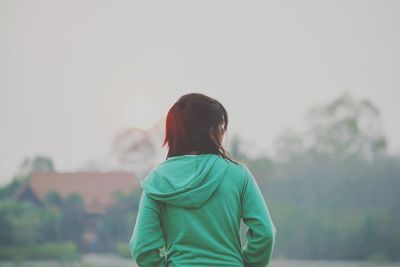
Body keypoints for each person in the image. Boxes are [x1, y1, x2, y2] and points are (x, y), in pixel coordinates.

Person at [129, 93, 277, 266]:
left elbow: (141, 246)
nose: (223, 131)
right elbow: (265, 233)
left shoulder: (157, 180)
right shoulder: (238, 175)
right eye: (221, 125)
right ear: (210, 131)